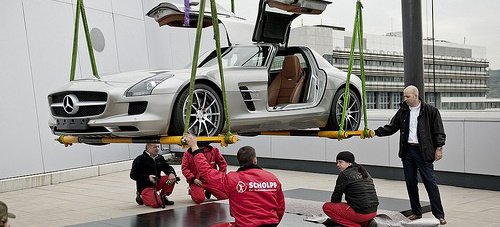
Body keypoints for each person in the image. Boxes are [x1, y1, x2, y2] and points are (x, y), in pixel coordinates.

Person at [374, 85, 447, 225]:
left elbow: (439, 132)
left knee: (430, 183)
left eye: (407, 96)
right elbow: (392, 127)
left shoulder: (431, 111)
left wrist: (439, 148)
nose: (405, 99)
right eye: (404, 96)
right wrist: (376, 132)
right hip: (407, 151)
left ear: (416, 95)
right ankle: (416, 211)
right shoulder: (403, 111)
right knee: (410, 183)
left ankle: (439, 214)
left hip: (424, 152)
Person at [183, 134, 285, 227]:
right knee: (199, 197)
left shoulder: (232, 179)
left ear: (239, 161)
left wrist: (194, 147)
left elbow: (206, 171)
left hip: (245, 225)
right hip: (272, 224)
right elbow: (281, 207)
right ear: (255, 160)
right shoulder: (272, 178)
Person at [322, 151, 378, 227]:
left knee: (327, 207)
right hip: (373, 211)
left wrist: (340, 212)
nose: (338, 165)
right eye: (337, 162)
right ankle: (366, 223)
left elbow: (335, 199)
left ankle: (354, 225)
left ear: (349, 163)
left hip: (361, 214)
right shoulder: (364, 171)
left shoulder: (344, 175)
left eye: (340, 162)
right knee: (353, 206)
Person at [130, 143, 178, 207]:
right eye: (155, 147)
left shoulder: (160, 158)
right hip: (145, 186)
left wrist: (171, 173)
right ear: (148, 148)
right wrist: (147, 177)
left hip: (157, 183)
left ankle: (163, 196)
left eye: (158, 147)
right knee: (157, 204)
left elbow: (167, 167)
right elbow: (133, 175)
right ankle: (141, 196)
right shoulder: (139, 159)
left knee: (171, 179)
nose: (157, 149)